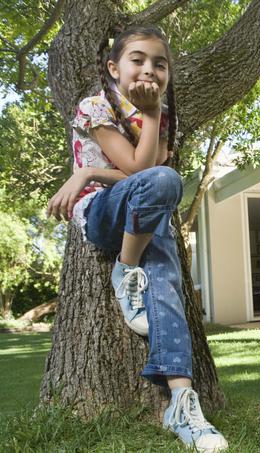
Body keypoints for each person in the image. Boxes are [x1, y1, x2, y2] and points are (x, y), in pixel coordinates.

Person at [46, 26, 227, 452]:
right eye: (138, 60)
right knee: (165, 183)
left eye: (159, 64)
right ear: (114, 68)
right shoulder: (95, 106)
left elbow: (144, 175)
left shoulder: (160, 116)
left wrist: (150, 117)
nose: (149, 69)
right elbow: (141, 173)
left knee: (165, 274)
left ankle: (181, 401)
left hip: (142, 215)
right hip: (100, 214)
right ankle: (124, 269)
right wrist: (89, 174)